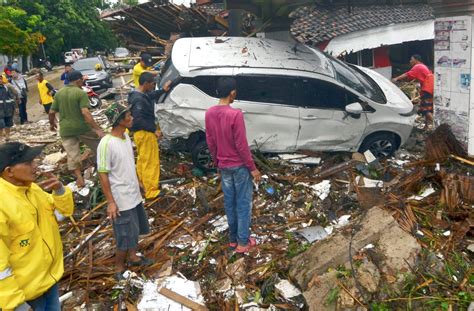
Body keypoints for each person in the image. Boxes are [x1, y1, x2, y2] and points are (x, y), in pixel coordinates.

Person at [0, 142, 74, 310]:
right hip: (26, 296)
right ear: (9, 171)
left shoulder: (33, 190)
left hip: (49, 282)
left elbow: (62, 214)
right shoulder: (2, 204)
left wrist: (60, 191)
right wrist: (16, 304)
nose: (35, 166)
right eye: (28, 163)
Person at [205, 77, 261, 254]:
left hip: (224, 166)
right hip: (239, 166)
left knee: (230, 203)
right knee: (243, 204)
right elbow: (241, 145)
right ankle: (243, 243)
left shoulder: (209, 113)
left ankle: (232, 239)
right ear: (232, 93)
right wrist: (252, 168)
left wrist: (217, 163)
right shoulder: (235, 114)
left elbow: (210, 142)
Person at [98, 103, 152, 280]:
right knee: (124, 235)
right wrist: (111, 202)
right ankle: (118, 268)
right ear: (119, 120)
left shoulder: (126, 137)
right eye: (128, 115)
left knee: (135, 229)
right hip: (121, 199)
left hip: (133, 194)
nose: (132, 117)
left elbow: (129, 163)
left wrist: (138, 182)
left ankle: (133, 257)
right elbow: (103, 174)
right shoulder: (106, 144)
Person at [49, 70, 104, 188]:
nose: (83, 82)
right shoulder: (80, 93)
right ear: (78, 80)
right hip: (82, 127)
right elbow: (85, 113)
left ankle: (80, 179)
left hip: (65, 130)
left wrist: (51, 124)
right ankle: (104, 170)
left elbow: (51, 112)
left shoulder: (59, 93)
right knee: (99, 146)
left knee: (72, 155)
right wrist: (97, 129)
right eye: (82, 80)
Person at [128, 72, 171, 199]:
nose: (153, 86)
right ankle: (151, 191)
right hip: (145, 133)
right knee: (150, 162)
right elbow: (138, 119)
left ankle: (142, 183)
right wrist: (154, 130)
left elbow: (149, 96)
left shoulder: (137, 94)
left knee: (143, 160)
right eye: (152, 84)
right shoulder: (138, 100)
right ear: (146, 83)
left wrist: (162, 90)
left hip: (140, 134)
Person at [392, 54, 434, 129]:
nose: (410, 61)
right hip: (430, 88)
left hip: (427, 89)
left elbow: (407, 74)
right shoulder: (422, 66)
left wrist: (396, 79)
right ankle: (426, 127)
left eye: (411, 59)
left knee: (424, 109)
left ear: (416, 60)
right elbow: (415, 78)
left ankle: (437, 124)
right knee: (428, 108)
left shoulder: (418, 66)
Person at [0, 74, 20, 142]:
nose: (0, 80)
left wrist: (15, 107)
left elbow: (12, 98)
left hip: (8, 109)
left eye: (0, 79)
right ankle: (1, 138)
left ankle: (7, 136)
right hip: (0, 110)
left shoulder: (6, 87)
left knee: (8, 124)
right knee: (1, 124)